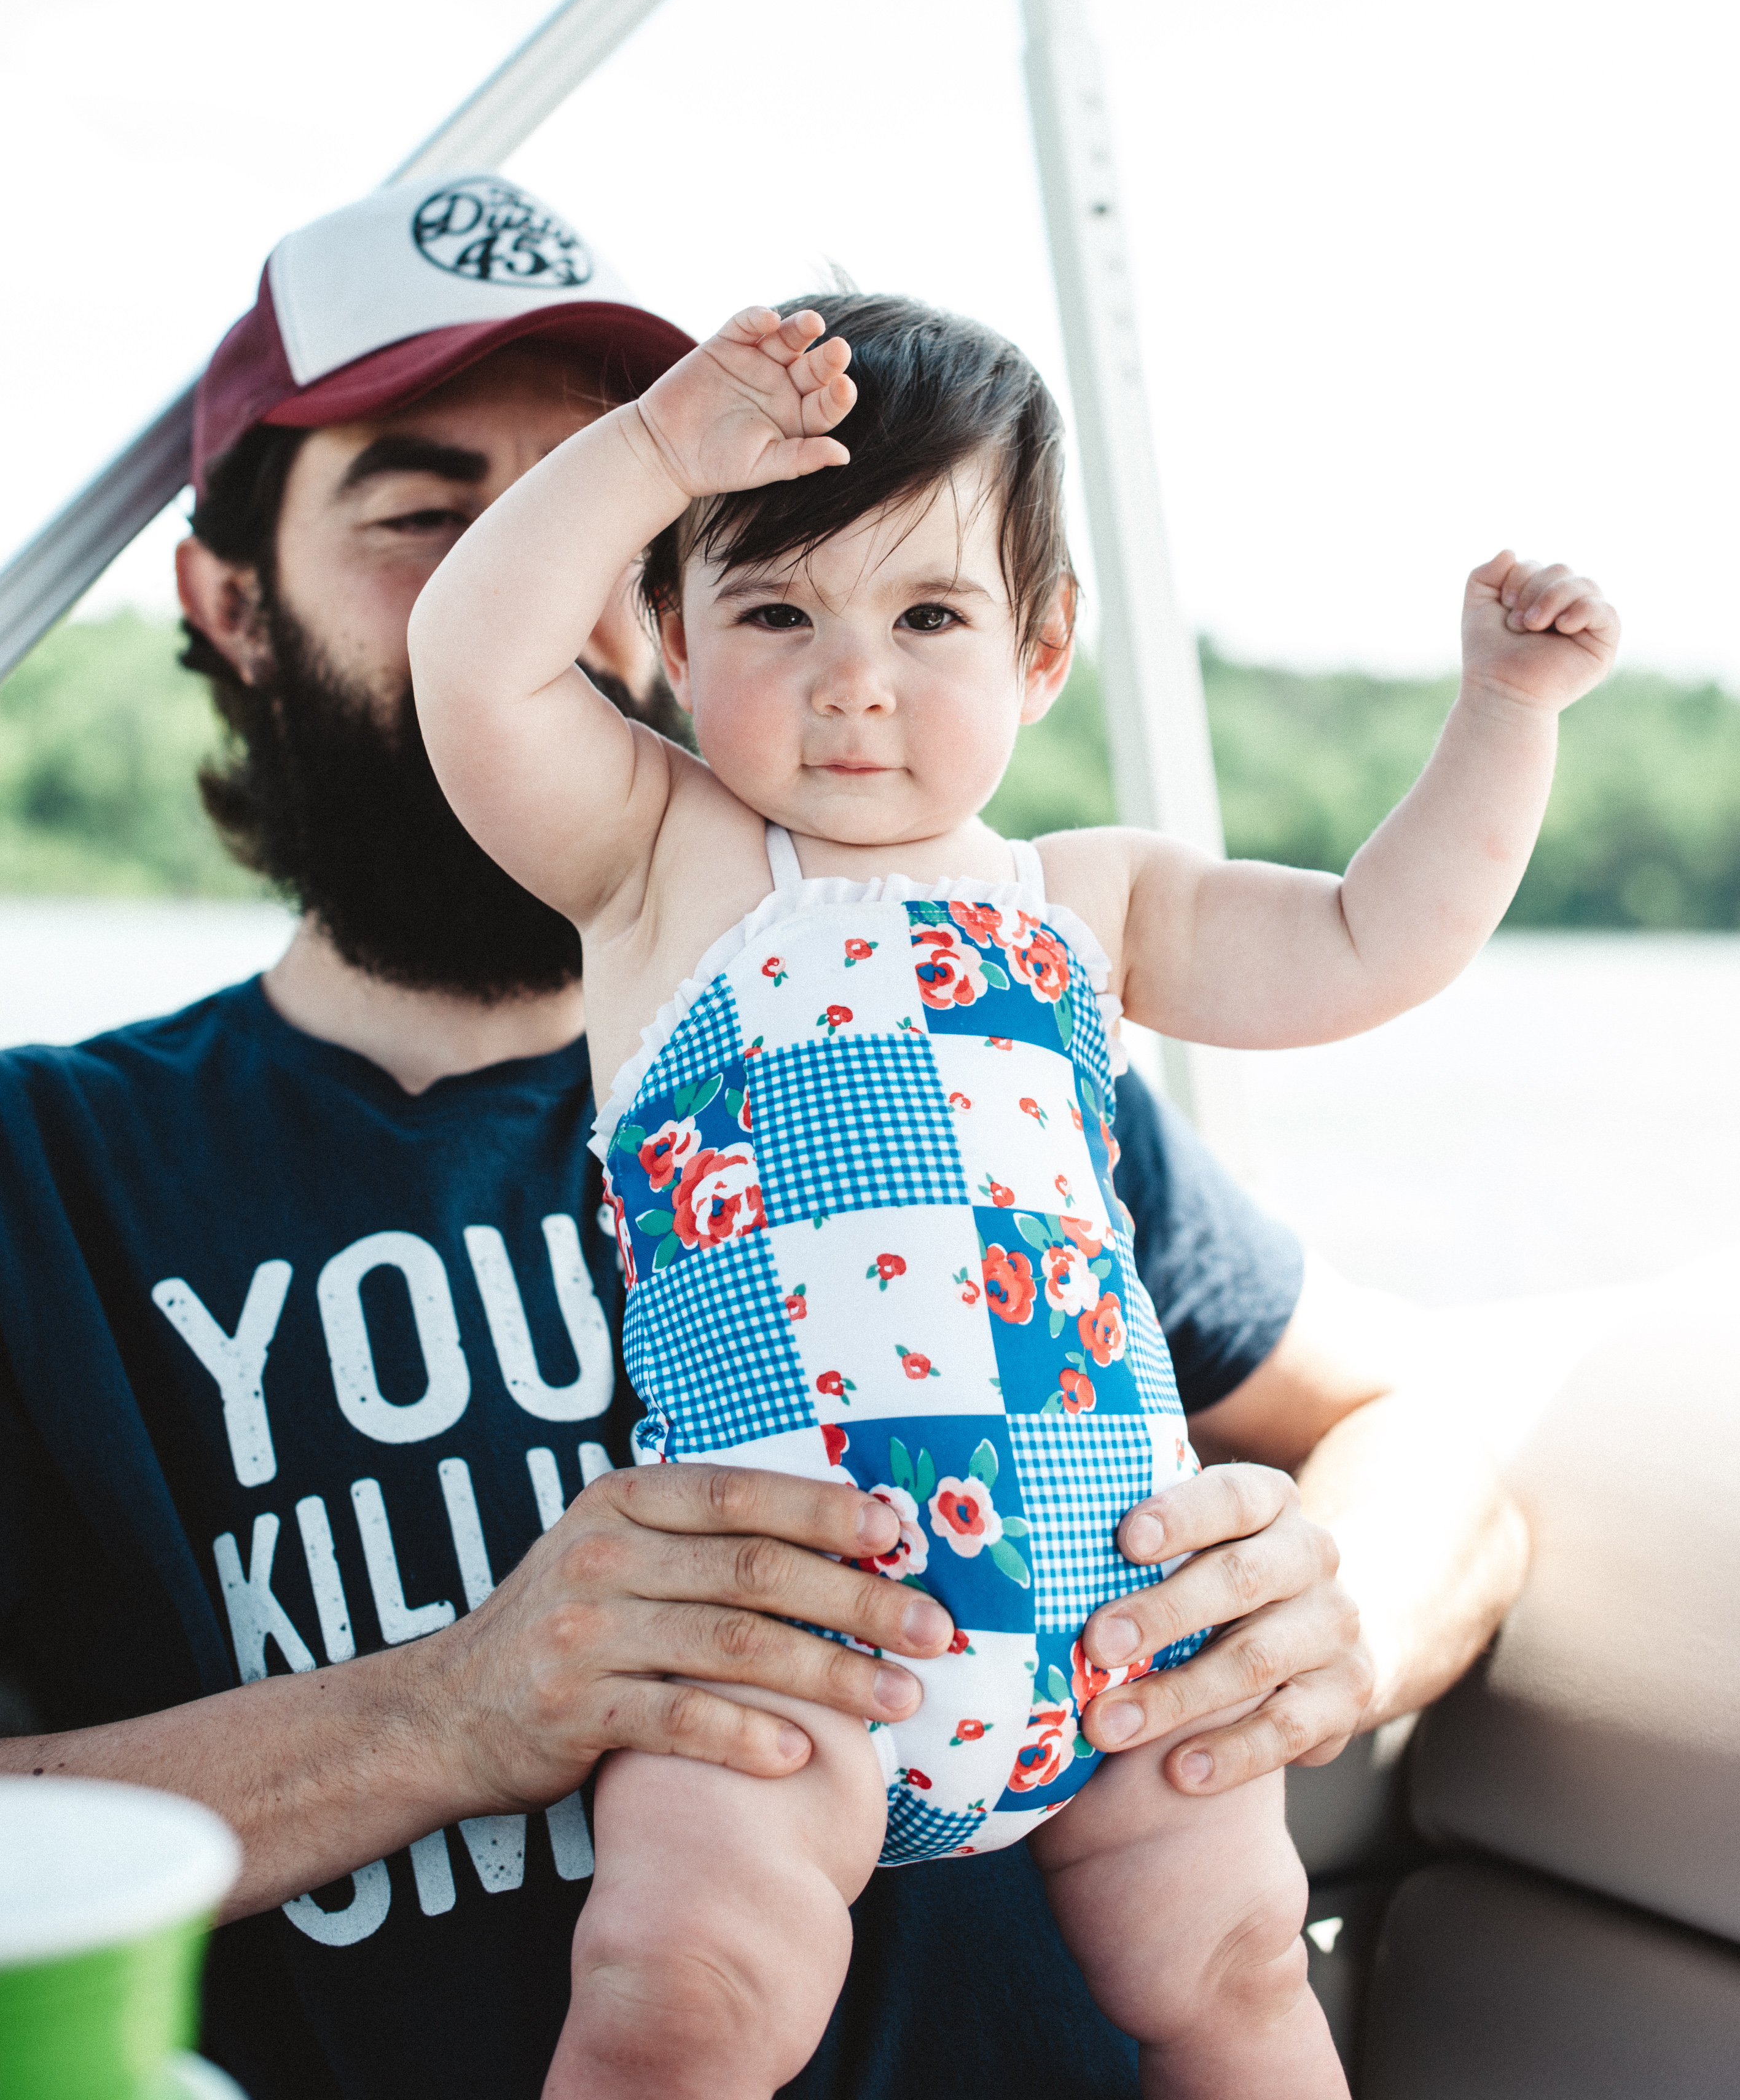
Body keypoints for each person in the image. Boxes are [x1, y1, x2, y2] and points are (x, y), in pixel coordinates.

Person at [0, 180, 1529, 2100]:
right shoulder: (44, 1173)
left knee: (1233, 1970)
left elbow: (1430, 1427)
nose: (542, 565)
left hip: (1091, 1712)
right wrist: (451, 1712)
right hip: (740, 1825)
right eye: (433, 508)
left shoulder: (1005, 1025)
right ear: (227, 601)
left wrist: (1312, 1634)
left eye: (609, 493)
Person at [407, 289, 1615, 2099]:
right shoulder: (660, 862)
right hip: (790, 1643)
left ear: (1042, 648)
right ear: (668, 633)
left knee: (1234, 1977)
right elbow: (471, 658)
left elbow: (1377, 937)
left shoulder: (1087, 903)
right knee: (683, 1992)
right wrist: (661, 449)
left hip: (1105, 1628)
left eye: (927, 614)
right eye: (774, 612)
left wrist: (1506, 713)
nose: (853, 679)